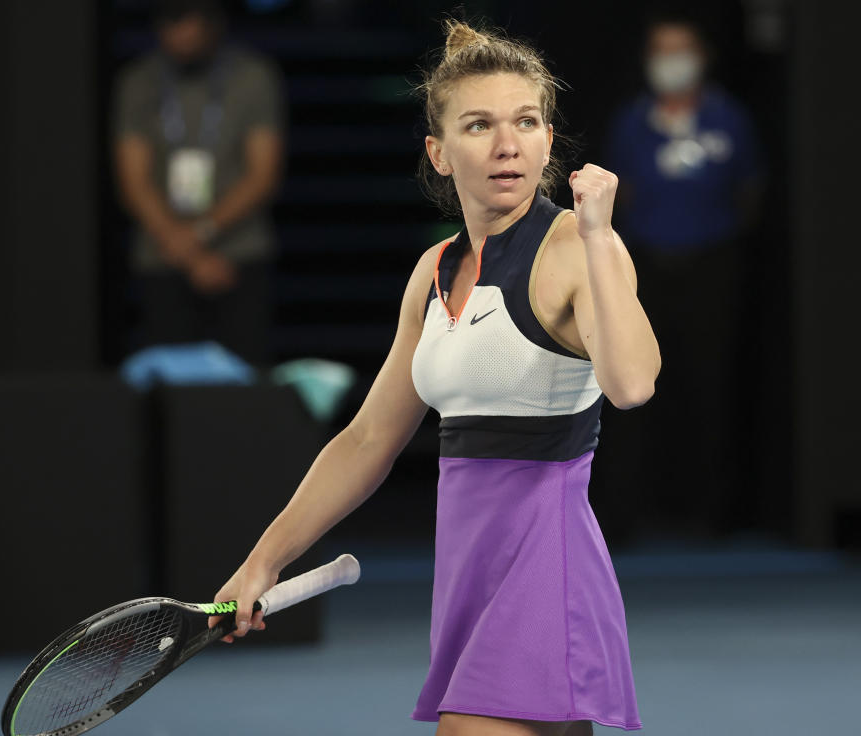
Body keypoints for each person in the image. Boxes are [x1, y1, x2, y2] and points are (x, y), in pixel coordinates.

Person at [208, 20, 659, 736]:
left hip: (547, 563)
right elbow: (366, 442)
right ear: (439, 153)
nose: (507, 144)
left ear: (549, 140)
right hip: (469, 572)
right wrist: (261, 563)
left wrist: (602, 236)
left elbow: (632, 384)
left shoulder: (577, 247)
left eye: (526, 122)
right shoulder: (434, 270)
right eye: (478, 125)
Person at [600, 13, 761, 537]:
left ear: (702, 56)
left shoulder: (728, 118)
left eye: (682, 49)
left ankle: (714, 516)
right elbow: (619, 193)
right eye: (661, 50)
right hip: (644, 269)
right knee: (634, 390)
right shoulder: (631, 122)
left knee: (709, 387)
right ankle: (630, 515)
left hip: (712, 266)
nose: (673, 62)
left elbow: (750, 190)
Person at [113, 0, 285, 362]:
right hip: (162, 255)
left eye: (190, 18)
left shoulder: (252, 76)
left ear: (213, 21)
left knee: (241, 384)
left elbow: (263, 173)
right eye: (172, 18)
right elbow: (133, 179)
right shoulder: (139, 81)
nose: (184, 31)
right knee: (169, 388)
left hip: (238, 252)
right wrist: (190, 252)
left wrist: (198, 235)